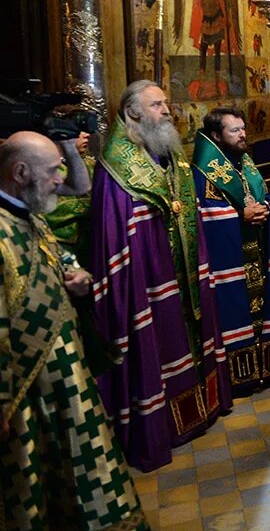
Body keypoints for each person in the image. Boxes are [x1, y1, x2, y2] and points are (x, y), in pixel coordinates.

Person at [1, 131, 149, 529]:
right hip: (26, 396)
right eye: (53, 171)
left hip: (64, 379)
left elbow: (58, 256)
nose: (59, 179)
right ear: (20, 172)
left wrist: (77, 275)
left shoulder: (28, 213)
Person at [90, 81, 231, 471]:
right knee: (160, 342)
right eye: (156, 104)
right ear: (133, 112)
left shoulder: (172, 156)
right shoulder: (117, 170)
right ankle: (162, 426)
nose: (167, 110)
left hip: (180, 269)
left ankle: (202, 410)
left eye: (166, 102)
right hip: (147, 280)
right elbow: (117, 235)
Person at [192, 108, 270, 394]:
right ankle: (240, 376)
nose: (243, 134)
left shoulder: (245, 162)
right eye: (235, 130)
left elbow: (263, 196)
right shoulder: (203, 170)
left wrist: (263, 209)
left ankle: (265, 366)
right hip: (230, 256)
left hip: (256, 247)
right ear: (216, 135)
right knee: (236, 309)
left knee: (263, 307)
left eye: (243, 128)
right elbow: (203, 215)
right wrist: (240, 216)